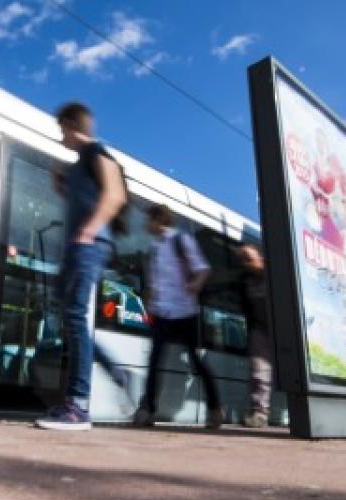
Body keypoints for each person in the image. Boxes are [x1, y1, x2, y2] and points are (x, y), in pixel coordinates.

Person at [34, 102, 128, 431]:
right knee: (68, 316)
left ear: (73, 125)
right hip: (78, 245)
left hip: (90, 244)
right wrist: (61, 184)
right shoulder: (77, 166)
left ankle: (78, 406)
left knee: (74, 315)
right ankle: (115, 370)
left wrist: (89, 230)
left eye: (62, 128)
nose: (60, 136)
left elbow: (114, 194)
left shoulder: (95, 151)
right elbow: (83, 197)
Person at [132, 203, 223, 429]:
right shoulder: (154, 249)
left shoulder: (181, 240)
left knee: (196, 363)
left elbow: (203, 269)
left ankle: (214, 409)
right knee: (154, 361)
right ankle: (147, 409)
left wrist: (194, 285)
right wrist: (149, 299)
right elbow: (154, 283)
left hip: (185, 312)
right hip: (162, 312)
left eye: (148, 219)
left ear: (158, 220)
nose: (145, 224)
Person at [236, 244, 275, 428]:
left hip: (281, 327)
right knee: (259, 372)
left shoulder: (275, 271)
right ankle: (260, 412)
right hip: (259, 328)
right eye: (242, 259)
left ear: (260, 257)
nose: (246, 262)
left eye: (249, 257)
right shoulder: (244, 280)